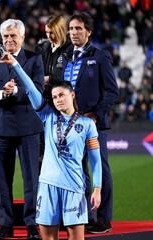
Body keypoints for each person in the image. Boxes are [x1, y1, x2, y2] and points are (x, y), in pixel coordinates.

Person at [0, 52, 102, 240]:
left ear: (72, 95)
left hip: (74, 188)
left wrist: (97, 188)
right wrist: (15, 65)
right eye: (54, 97)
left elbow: (95, 160)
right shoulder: (48, 117)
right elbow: (31, 90)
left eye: (62, 95)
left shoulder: (87, 124)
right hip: (47, 186)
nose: (58, 100)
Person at [0, 19, 44, 240]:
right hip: (0, 127)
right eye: (5, 36)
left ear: (22, 38)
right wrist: (0, 94)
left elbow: (39, 91)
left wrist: (15, 91)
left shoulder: (34, 59)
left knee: (31, 180)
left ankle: (33, 225)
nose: (8, 40)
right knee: (3, 181)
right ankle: (6, 225)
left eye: (13, 36)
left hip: (28, 128)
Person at [61, 12, 119, 233]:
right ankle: (84, 216)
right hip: (70, 125)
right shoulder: (65, 56)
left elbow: (113, 92)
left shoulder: (100, 56)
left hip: (93, 125)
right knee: (78, 172)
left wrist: (94, 114)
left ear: (88, 32)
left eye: (78, 29)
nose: (74, 32)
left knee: (100, 170)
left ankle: (103, 219)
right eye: (71, 29)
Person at [35, 15, 71, 103]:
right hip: (46, 98)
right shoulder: (44, 47)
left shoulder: (70, 48)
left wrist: (45, 79)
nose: (48, 36)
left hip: (64, 98)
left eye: (52, 32)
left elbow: (62, 76)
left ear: (60, 31)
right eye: (47, 32)